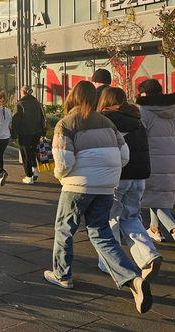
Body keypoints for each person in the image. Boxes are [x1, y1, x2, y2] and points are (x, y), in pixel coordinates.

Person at [45, 81, 152, 314]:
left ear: (73, 97)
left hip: (77, 185)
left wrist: (61, 177)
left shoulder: (66, 124)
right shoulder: (108, 123)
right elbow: (125, 155)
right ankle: (133, 279)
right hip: (106, 186)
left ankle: (62, 274)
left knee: (64, 229)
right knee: (101, 233)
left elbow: (63, 163)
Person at [96, 87, 162, 280]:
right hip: (139, 177)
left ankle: (110, 263)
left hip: (117, 177)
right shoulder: (136, 120)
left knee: (110, 220)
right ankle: (149, 255)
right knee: (131, 218)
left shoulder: (105, 120)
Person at [136, 79, 175, 242]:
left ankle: (173, 228)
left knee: (152, 197)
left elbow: (139, 136)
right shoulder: (172, 108)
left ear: (144, 93)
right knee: (158, 195)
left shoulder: (143, 110)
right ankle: (154, 228)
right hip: (171, 159)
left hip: (152, 160)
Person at [12, 85, 46, 185]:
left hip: (24, 133)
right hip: (36, 132)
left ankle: (29, 176)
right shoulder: (37, 103)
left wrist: (14, 135)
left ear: (22, 92)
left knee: (26, 154)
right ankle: (34, 170)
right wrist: (43, 132)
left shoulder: (20, 104)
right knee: (33, 152)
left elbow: (15, 121)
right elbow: (42, 118)